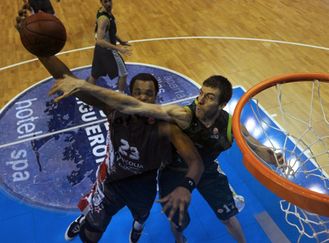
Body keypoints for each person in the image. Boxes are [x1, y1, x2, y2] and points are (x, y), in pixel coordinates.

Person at [16, 11, 204, 243]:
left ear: (156, 98)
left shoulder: (167, 126)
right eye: (138, 92)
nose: (143, 97)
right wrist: (42, 54)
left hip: (143, 185)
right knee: (92, 234)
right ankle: (86, 220)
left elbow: (195, 161)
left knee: (141, 216)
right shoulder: (115, 110)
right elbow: (70, 80)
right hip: (111, 180)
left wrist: (186, 187)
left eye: (149, 94)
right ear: (130, 95)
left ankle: (137, 226)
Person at [49, 75, 283, 243]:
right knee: (177, 221)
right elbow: (131, 104)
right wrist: (82, 85)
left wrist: (275, 159)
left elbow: (256, 147)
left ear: (221, 104)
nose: (200, 100)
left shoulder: (231, 124)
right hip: (173, 171)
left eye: (209, 97)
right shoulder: (182, 114)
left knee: (229, 217)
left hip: (208, 170)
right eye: (201, 93)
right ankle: (180, 239)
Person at [89, 0, 131, 92]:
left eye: (109, 1)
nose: (108, 4)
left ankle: (88, 94)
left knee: (95, 74)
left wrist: (120, 41)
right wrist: (118, 48)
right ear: (101, 2)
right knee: (123, 73)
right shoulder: (104, 19)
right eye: (105, 2)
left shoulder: (104, 12)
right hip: (108, 50)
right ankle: (121, 96)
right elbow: (100, 40)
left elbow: (110, 31)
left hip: (99, 50)